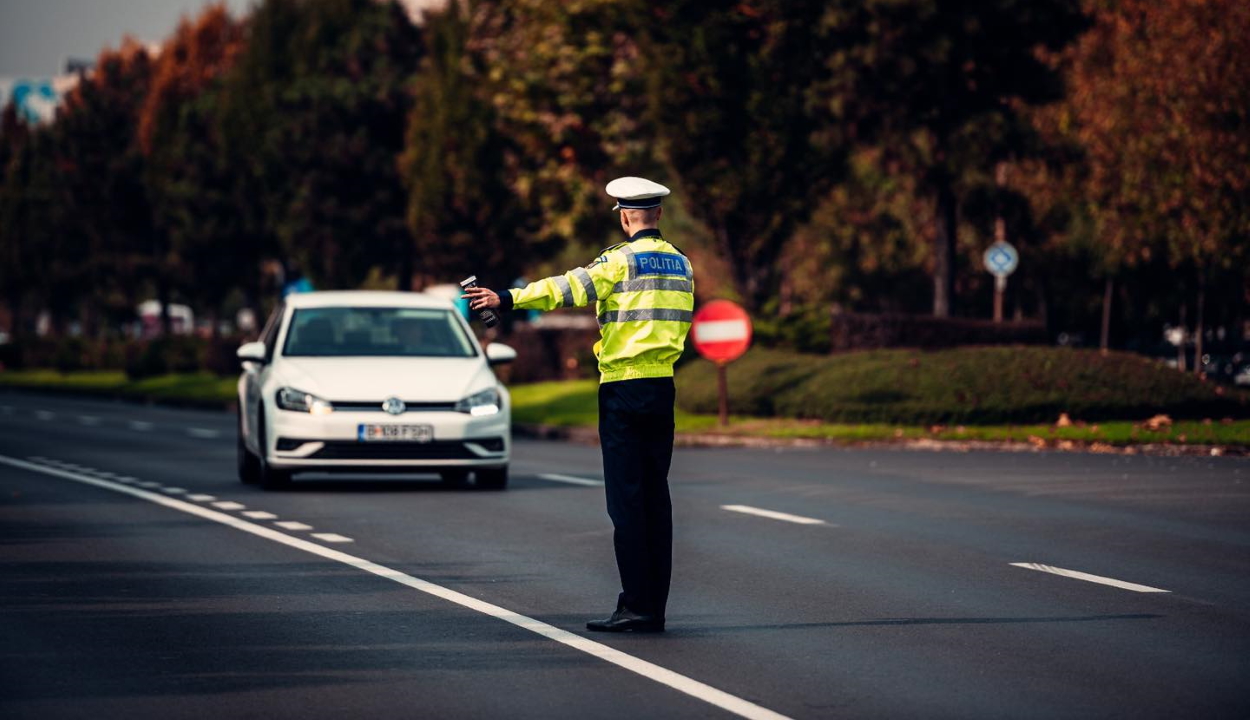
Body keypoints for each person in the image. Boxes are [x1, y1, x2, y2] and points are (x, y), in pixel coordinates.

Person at [462, 176, 694, 633]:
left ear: (626, 216)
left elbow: (567, 287)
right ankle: (655, 608)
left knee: (626, 503)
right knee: (655, 500)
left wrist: (506, 297)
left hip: (623, 388)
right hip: (663, 387)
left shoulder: (619, 261)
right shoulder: (682, 264)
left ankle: (635, 607)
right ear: (659, 214)